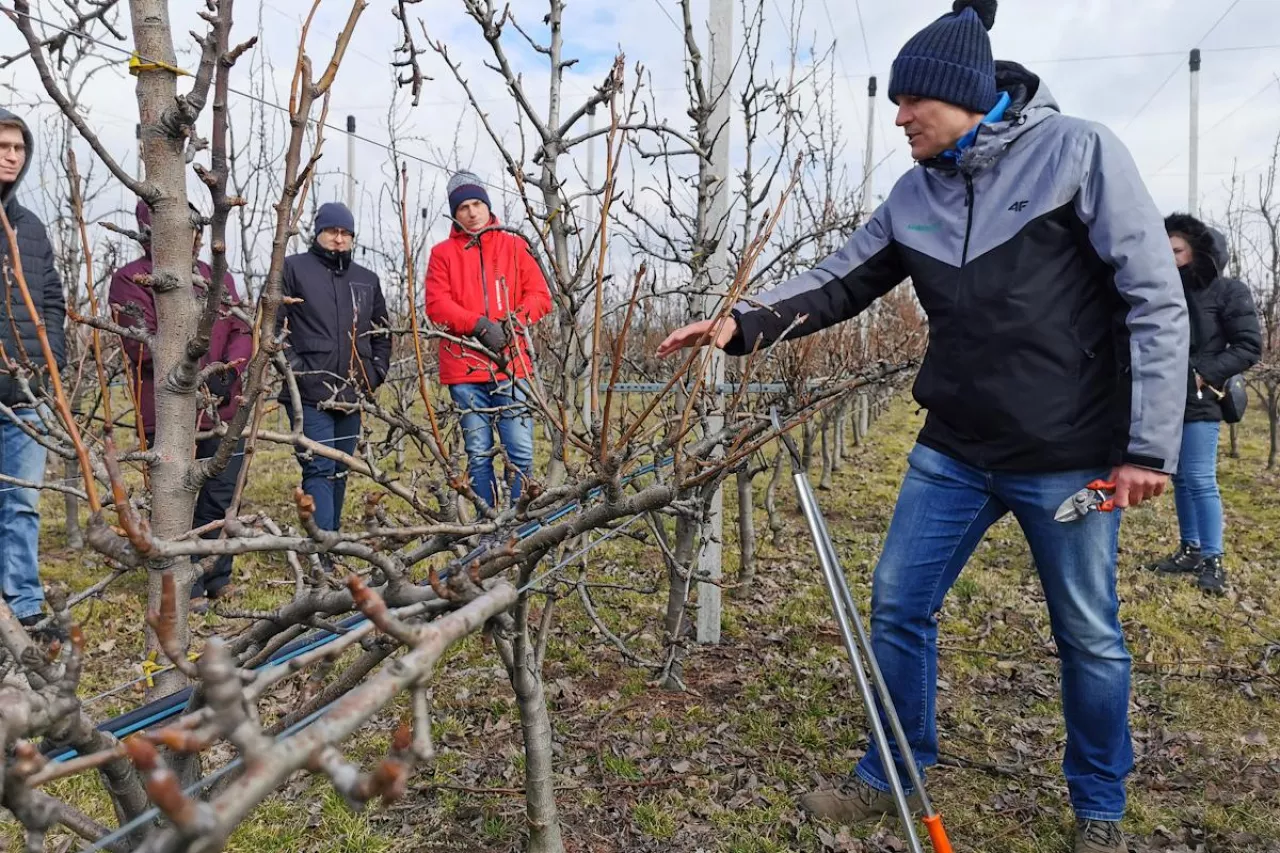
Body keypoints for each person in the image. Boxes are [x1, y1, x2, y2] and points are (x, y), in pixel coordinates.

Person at [656, 3, 1187, 851]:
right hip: (954, 448)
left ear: (965, 97)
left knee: (1087, 631)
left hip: (1068, 453)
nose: (898, 117)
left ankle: (1099, 804)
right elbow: (839, 278)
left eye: (912, 102)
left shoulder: (1078, 153)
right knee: (898, 602)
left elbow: (1154, 297)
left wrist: (1147, 447)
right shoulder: (914, 194)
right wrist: (738, 323)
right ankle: (892, 772)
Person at [110, 200, 252, 611]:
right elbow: (140, 343)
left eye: (191, 228)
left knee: (221, 491)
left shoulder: (214, 277)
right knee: (176, 499)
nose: (185, 236)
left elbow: (240, 327)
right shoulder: (131, 280)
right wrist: (193, 373)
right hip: (167, 409)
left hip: (221, 407)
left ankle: (215, 574)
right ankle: (182, 583)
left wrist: (229, 370)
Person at [1146, 214, 1261, 594]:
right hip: (1166, 397)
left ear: (1197, 251)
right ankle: (1190, 549)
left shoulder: (1227, 291)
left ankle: (1213, 559)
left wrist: (1201, 372)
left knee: (1199, 478)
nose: (1169, 256)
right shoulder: (1162, 290)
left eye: (1176, 250)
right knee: (1179, 477)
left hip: (1202, 396)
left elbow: (1248, 346)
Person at [425, 171, 551, 509]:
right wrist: (478, 324)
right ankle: (487, 526)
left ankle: (516, 520)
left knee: (521, 451)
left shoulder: (514, 245)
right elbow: (437, 306)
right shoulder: (442, 254)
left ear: (488, 205)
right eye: (463, 206)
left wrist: (513, 323)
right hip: (464, 369)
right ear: (455, 213)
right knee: (478, 454)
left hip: (512, 366)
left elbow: (540, 295)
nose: (472, 212)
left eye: (477, 203)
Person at [278, 202, 391, 534]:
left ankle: (331, 539)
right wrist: (294, 370)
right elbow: (272, 324)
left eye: (345, 233)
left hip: (352, 393)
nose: (339, 239)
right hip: (308, 393)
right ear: (318, 233)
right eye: (332, 232)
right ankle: (322, 551)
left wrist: (375, 373)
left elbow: (382, 331)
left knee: (341, 469)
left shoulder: (366, 279)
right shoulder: (293, 269)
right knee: (319, 467)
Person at [0, 108, 67, 641]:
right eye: (2, 145)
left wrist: (52, 363)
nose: (11, 155)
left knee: (22, 502)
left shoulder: (32, 227)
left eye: (19, 148)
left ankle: (23, 600)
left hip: (27, 394)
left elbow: (52, 302)